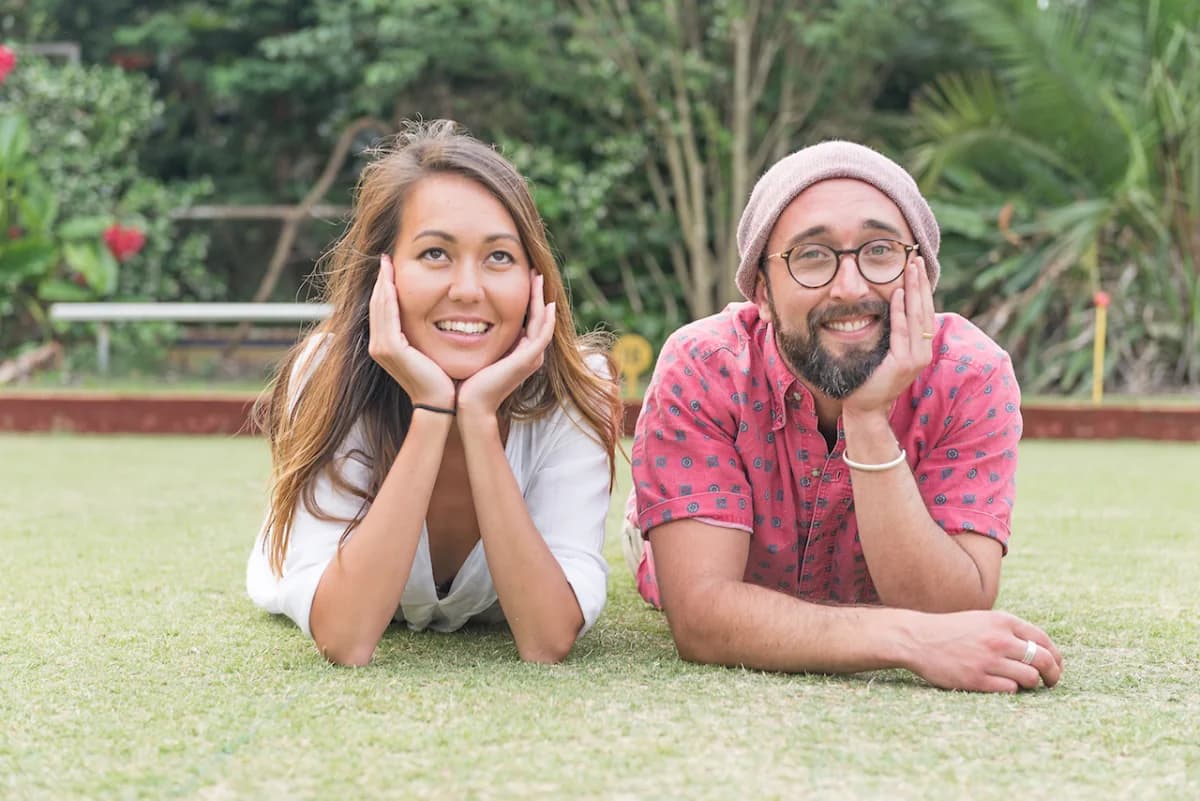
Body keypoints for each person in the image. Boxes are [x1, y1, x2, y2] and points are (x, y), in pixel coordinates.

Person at [624, 141, 1064, 693]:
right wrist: (909, 641)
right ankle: (648, 512)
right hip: (696, 509)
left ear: (921, 275)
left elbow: (952, 609)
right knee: (668, 554)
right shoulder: (703, 365)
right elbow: (702, 617)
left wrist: (867, 417)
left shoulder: (972, 375)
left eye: (880, 251)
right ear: (761, 291)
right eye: (812, 256)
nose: (851, 287)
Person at [246, 120, 622, 666]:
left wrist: (476, 419)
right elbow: (346, 638)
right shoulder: (327, 371)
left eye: (499, 257)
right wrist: (431, 409)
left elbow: (546, 638)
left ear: (534, 278)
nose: (468, 290)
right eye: (435, 254)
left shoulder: (577, 387)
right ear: (384, 275)